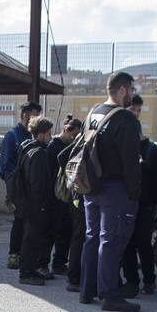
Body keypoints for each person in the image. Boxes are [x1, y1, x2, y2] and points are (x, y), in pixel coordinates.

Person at [79, 71, 142, 312]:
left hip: (90, 185)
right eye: (132, 90)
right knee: (110, 240)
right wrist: (134, 192)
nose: (133, 95)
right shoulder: (125, 120)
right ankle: (110, 294)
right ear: (124, 90)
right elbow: (130, 162)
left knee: (92, 237)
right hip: (114, 188)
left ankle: (87, 290)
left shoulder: (94, 113)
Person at [121, 95, 157, 297]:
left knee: (143, 244)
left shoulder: (153, 152)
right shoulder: (124, 149)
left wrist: (153, 205)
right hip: (127, 203)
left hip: (144, 205)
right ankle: (132, 281)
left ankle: (148, 280)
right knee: (128, 244)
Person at [12, 116, 58, 286]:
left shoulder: (26, 148)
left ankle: (30, 270)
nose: (50, 137)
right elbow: (37, 183)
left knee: (30, 238)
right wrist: (42, 205)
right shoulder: (38, 153)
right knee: (32, 239)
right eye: (48, 134)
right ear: (41, 135)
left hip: (26, 203)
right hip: (35, 205)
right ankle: (26, 272)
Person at [1, 101, 42, 270]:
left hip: (33, 187)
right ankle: (14, 255)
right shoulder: (13, 136)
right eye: (35, 115)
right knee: (19, 221)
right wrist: (16, 182)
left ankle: (28, 256)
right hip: (19, 187)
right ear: (25, 115)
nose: (37, 119)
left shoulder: (35, 136)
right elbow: (5, 165)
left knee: (32, 223)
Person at [55, 117, 87, 291]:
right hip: (79, 195)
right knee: (79, 235)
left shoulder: (81, 141)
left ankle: (74, 275)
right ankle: (74, 277)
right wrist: (73, 177)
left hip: (77, 194)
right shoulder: (84, 141)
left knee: (77, 235)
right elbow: (61, 157)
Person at [46, 117, 81, 275]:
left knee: (67, 230)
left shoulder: (68, 145)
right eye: (74, 135)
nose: (75, 139)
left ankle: (60, 262)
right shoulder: (54, 146)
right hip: (57, 194)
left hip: (67, 194)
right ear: (67, 130)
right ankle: (55, 263)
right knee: (57, 231)